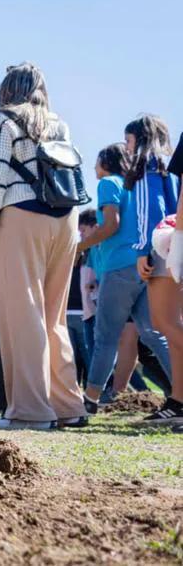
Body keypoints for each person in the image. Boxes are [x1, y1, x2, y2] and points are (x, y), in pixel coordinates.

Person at [0, 62, 87, 430]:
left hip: (21, 216)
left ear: (7, 88)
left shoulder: (1, 120)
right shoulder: (58, 123)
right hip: (66, 219)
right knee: (53, 318)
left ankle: (30, 411)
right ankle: (69, 405)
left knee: (23, 315)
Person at [78, 143, 172, 414]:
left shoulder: (108, 183)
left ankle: (91, 399)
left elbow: (111, 224)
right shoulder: (136, 185)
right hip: (146, 266)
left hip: (119, 267)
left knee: (105, 337)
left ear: (104, 161)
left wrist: (78, 248)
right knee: (153, 334)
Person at [128, 116, 183, 424]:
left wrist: (143, 249)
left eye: (129, 140)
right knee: (170, 324)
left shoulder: (149, 162)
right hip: (175, 239)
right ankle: (178, 401)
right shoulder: (167, 161)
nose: (127, 146)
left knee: (165, 321)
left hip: (164, 243)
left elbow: (153, 209)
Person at [77, 209, 99, 388]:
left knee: (100, 356)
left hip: (98, 309)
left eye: (83, 230)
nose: (81, 235)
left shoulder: (99, 249)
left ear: (95, 227)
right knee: (93, 357)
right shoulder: (85, 253)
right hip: (87, 313)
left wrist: (95, 283)